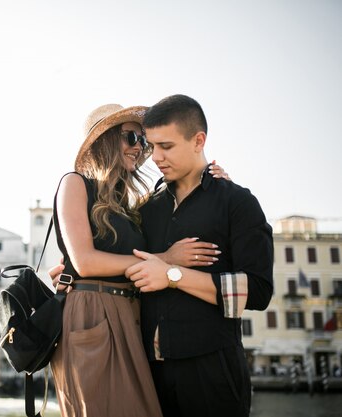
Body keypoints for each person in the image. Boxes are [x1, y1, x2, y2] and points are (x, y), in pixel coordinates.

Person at [50, 103, 223, 417]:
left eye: (143, 141)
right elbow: (85, 262)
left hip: (129, 316)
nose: (140, 148)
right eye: (132, 137)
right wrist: (164, 259)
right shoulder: (74, 184)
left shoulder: (127, 205)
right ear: (105, 140)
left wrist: (209, 179)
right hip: (93, 314)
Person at [124, 94, 274, 417]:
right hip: (151, 374)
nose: (155, 158)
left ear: (198, 140)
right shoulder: (146, 210)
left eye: (166, 146)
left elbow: (260, 291)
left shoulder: (238, 202)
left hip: (213, 372)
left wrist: (173, 276)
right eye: (152, 147)